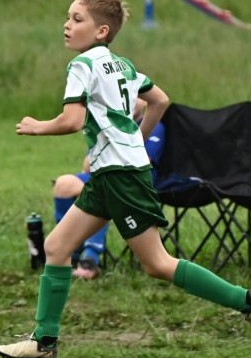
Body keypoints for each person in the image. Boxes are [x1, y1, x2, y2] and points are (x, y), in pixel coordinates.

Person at [0, 0, 251, 358]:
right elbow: (159, 100)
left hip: (121, 177)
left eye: (77, 19)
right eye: (68, 17)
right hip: (114, 172)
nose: (67, 25)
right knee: (57, 247)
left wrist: (37, 126)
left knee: (157, 264)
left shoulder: (82, 66)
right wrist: (136, 140)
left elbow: (73, 120)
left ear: (101, 32)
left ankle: (249, 301)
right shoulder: (123, 65)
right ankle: (44, 341)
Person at [52, 98, 166, 279]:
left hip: (133, 182)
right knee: (63, 184)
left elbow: (142, 160)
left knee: (105, 190)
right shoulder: (108, 124)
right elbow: (87, 167)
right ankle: (69, 254)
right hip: (103, 174)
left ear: (144, 102)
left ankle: (90, 259)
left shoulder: (154, 126)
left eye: (135, 96)